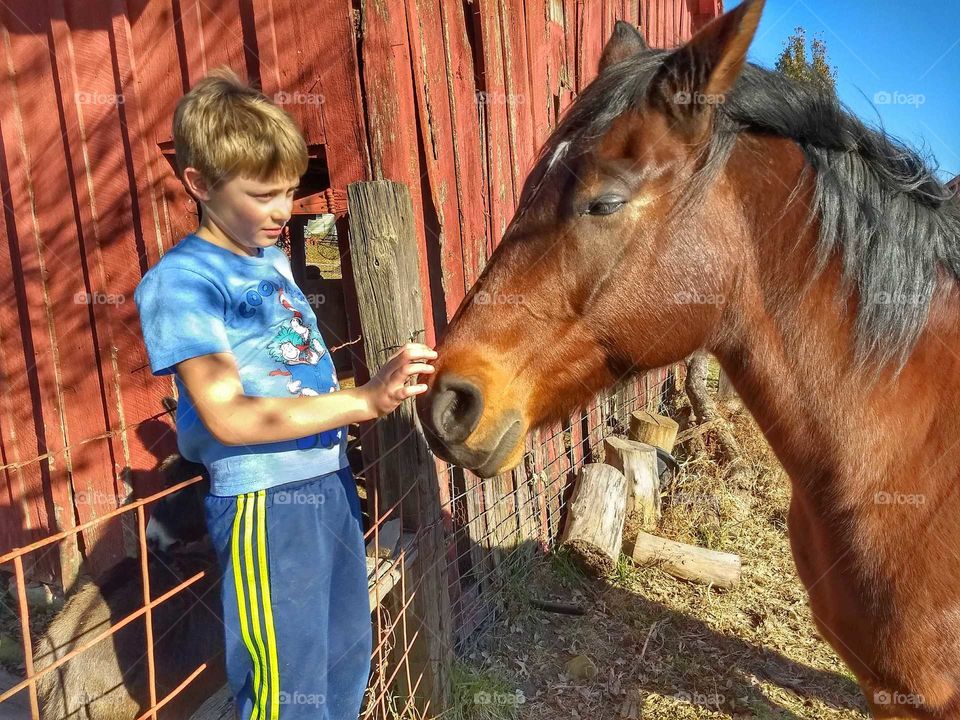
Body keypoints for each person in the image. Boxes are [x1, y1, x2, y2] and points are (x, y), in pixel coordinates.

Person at [133, 67, 437, 720]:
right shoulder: (180, 283)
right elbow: (230, 418)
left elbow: (283, 373)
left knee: (345, 663)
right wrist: (363, 400)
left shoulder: (269, 263)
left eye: (288, 193)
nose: (281, 212)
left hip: (326, 485)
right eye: (262, 194)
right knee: (285, 692)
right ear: (200, 186)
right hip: (264, 502)